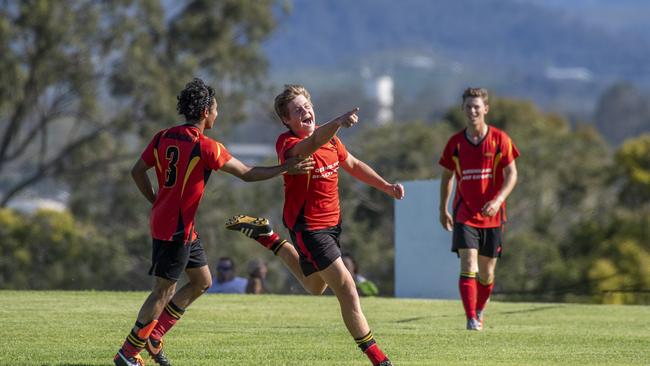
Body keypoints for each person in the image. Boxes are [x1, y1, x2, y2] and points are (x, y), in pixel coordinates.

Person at [113, 78, 313, 366]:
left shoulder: (162, 136)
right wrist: (286, 168)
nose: (217, 114)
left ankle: (154, 336)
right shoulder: (206, 146)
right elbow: (246, 173)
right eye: (216, 108)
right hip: (176, 228)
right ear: (206, 110)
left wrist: (156, 200)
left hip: (175, 224)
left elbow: (137, 171)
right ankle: (128, 354)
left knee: (202, 281)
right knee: (163, 290)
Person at [226, 84, 403, 366]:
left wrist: (385, 186)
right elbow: (310, 145)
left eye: (307, 106)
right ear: (287, 121)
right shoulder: (287, 143)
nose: (305, 111)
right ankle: (379, 359)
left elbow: (354, 164)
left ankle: (269, 238)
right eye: (297, 110)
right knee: (346, 287)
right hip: (309, 228)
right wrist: (337, 123)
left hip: (332, 226)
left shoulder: (330, 139)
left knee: (315, 286)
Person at [438, 87, 519, 331]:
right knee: (468, 264)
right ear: (462, 109)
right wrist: (443, 209)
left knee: (486, 273)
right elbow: (447, 177)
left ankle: (480, 309)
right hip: (465, 214)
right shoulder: (455, 143)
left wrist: (497, 201)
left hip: (493, 216)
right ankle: (471, 318)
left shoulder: (500, 139)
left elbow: (512, 174)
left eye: (477, 106)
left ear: (485, 109)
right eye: (468, 106)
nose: (472, 110)